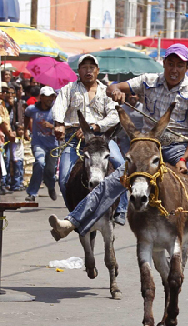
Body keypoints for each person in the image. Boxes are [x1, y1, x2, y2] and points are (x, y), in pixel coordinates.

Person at [48, 43, 188, 241]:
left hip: (176, 147)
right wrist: (115, 92)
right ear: (164, 64)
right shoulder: (148, 80)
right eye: (170, 63)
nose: (174, 69)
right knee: (112, 181)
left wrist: (184, 158)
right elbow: (114, 87)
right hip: (146, 146)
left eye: (179, 65)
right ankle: (71, 222)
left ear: (186, 67)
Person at [52, 54, 128, 225]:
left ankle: (121, 208)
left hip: (101, 139)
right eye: (84, 67)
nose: (88, 71)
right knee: (63, 178)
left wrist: (94, 127)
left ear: (97, 71)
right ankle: (74, 213)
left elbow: (114, 116)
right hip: (74, 138)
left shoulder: (106, 91)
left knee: (121, 165)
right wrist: (59, 124)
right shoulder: (68, 89)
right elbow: (59, 107)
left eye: (91, 67)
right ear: (78, 71)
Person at [24, 86, 58, 201]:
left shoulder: (57, 110)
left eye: (52, 96)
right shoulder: (32, 109)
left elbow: (63, 126)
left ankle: (51, 186)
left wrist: (51, 126)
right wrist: (25, 130)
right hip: (38, 143)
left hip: (53, 145)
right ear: (41, 97)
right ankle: (32, 193)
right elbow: (26, 115)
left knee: (50, 171)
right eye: (48, 97)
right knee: (39, 163)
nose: (50, 99)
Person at [10, 125, 25, 192]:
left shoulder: (21, 138)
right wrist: (14, 158)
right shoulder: (15, 139)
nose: (21, 131)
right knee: (17, 173)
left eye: (22, 130)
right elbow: (13, 149)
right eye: (19, 130)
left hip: (21, 158)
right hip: (17, 159)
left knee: (21, 172)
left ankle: (20, 184)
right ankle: (16, 186)